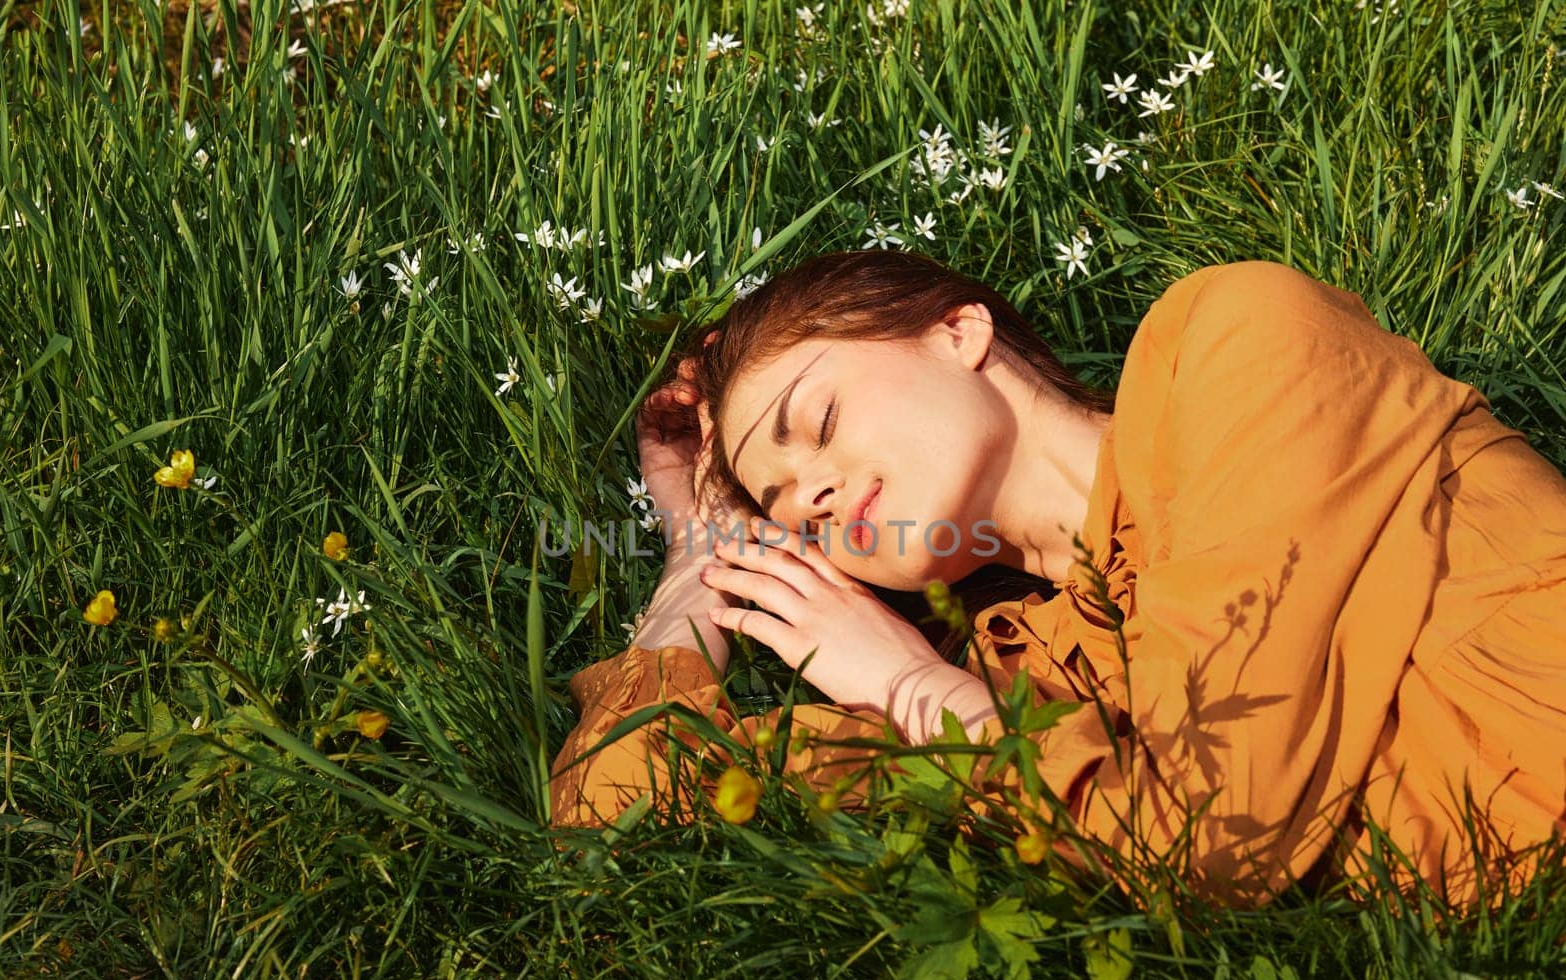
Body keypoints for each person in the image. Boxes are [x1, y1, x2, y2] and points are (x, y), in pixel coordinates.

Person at [549, 251, 1566, 913]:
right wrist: (696, 556)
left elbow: (1213, 832)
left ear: (959, 330)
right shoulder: (1013, 676)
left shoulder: (1236, 345)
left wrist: (922, 698)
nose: (809, 491)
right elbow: (612, 794)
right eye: (787, 512)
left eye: (817, 423)